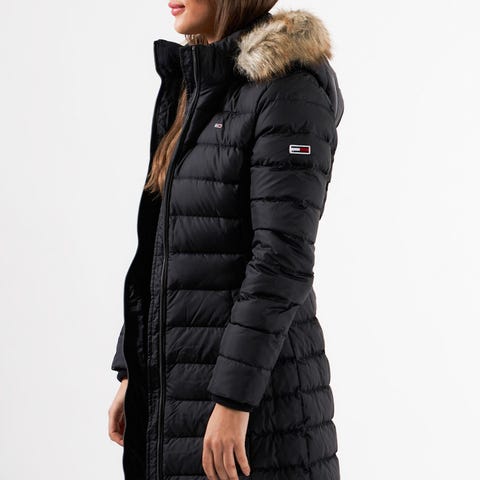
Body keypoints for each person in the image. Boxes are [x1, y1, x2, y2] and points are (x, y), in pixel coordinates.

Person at [108, 1, 344, 479]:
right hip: (182, 392)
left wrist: (234, 400)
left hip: (259, 409)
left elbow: (280, 259)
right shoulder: (201, 81)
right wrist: (134, 369)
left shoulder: (289, 90)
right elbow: (168, 244)